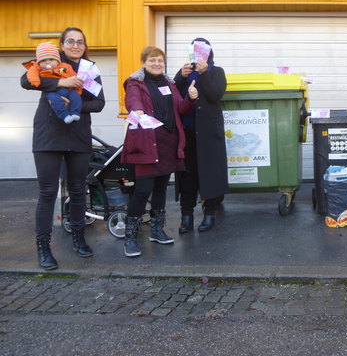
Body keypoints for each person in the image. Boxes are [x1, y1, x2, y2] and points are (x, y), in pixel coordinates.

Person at [20, 27, 106, 270]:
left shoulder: (90, 70)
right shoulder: (51, 62)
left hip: (78, 135)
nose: (76, 46)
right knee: (48, 192)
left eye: (80, 42)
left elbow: (99, 103)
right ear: (62, 45)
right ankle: (44, 247)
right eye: (70, 41)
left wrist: (75, 105)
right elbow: (26, 80)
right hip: (49, 135)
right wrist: (61, 81)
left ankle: (79, 237)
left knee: (79, 189)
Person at [121, 46, 199, 257]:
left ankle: (157, 230)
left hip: (169, 143)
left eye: (160, 61)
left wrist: (191, 99)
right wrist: (136, 109)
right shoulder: (135, 83)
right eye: (152, 60)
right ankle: (130, 237)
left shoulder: (169, 83)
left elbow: (180, 109)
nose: (156, 64)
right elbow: (132, 99)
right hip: (148, 142)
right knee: (143, 189)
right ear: (144, 62)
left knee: (162, 187)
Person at [174, 37, 229, 233]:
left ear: (209, 52)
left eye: (202, 50)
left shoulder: (217, 71)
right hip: (187, 133)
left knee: (210, 174)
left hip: (208, 132)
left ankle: (209, 213)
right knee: (187, 175)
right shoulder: (185, 71)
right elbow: (173, 95)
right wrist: (180, 77)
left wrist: (204, 73)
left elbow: (215, 95)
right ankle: (186, 215)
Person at [23, 42, 83, 124]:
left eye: (51, 60)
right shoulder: (38, 68)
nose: (48, 62)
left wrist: (77, 88)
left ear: (57, 61)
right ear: (39, 63)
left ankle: (75, 113)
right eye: (43, 60)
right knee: (55, 101)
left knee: (75, 96)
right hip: (52, 91)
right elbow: (30, 75)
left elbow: (73, 76)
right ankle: (64, 115)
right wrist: (35, 81)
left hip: (68, 90)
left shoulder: (64, 67)